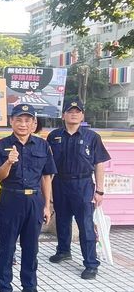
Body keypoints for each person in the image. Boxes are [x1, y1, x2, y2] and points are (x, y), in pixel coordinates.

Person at [0, 104, 56, 292]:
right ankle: (4, 288)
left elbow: (46, 178)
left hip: (34, 201)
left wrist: (46, 205)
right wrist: (9, 163)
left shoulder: (42, 145)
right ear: (12, 121)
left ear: (34, 123)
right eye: (19, 119)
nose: (23, 124)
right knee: (6, 247)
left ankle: (29, 286)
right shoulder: (1, 146)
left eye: (28, 120)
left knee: (31, 247)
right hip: (10, 199)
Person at [47, 99, 111, 279]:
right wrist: (49, 192)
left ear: (82, 115)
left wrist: (99, 191)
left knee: (85, 224)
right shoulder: (54, 136)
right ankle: (63, 250)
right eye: (70, 111)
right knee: (62, 219)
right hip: (60, 183)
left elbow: (99, 164)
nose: (73, 114)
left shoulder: (92, 137)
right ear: (63, 115)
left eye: (77, 111)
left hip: (82, 184)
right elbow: (49, 165)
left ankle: (91, 263)